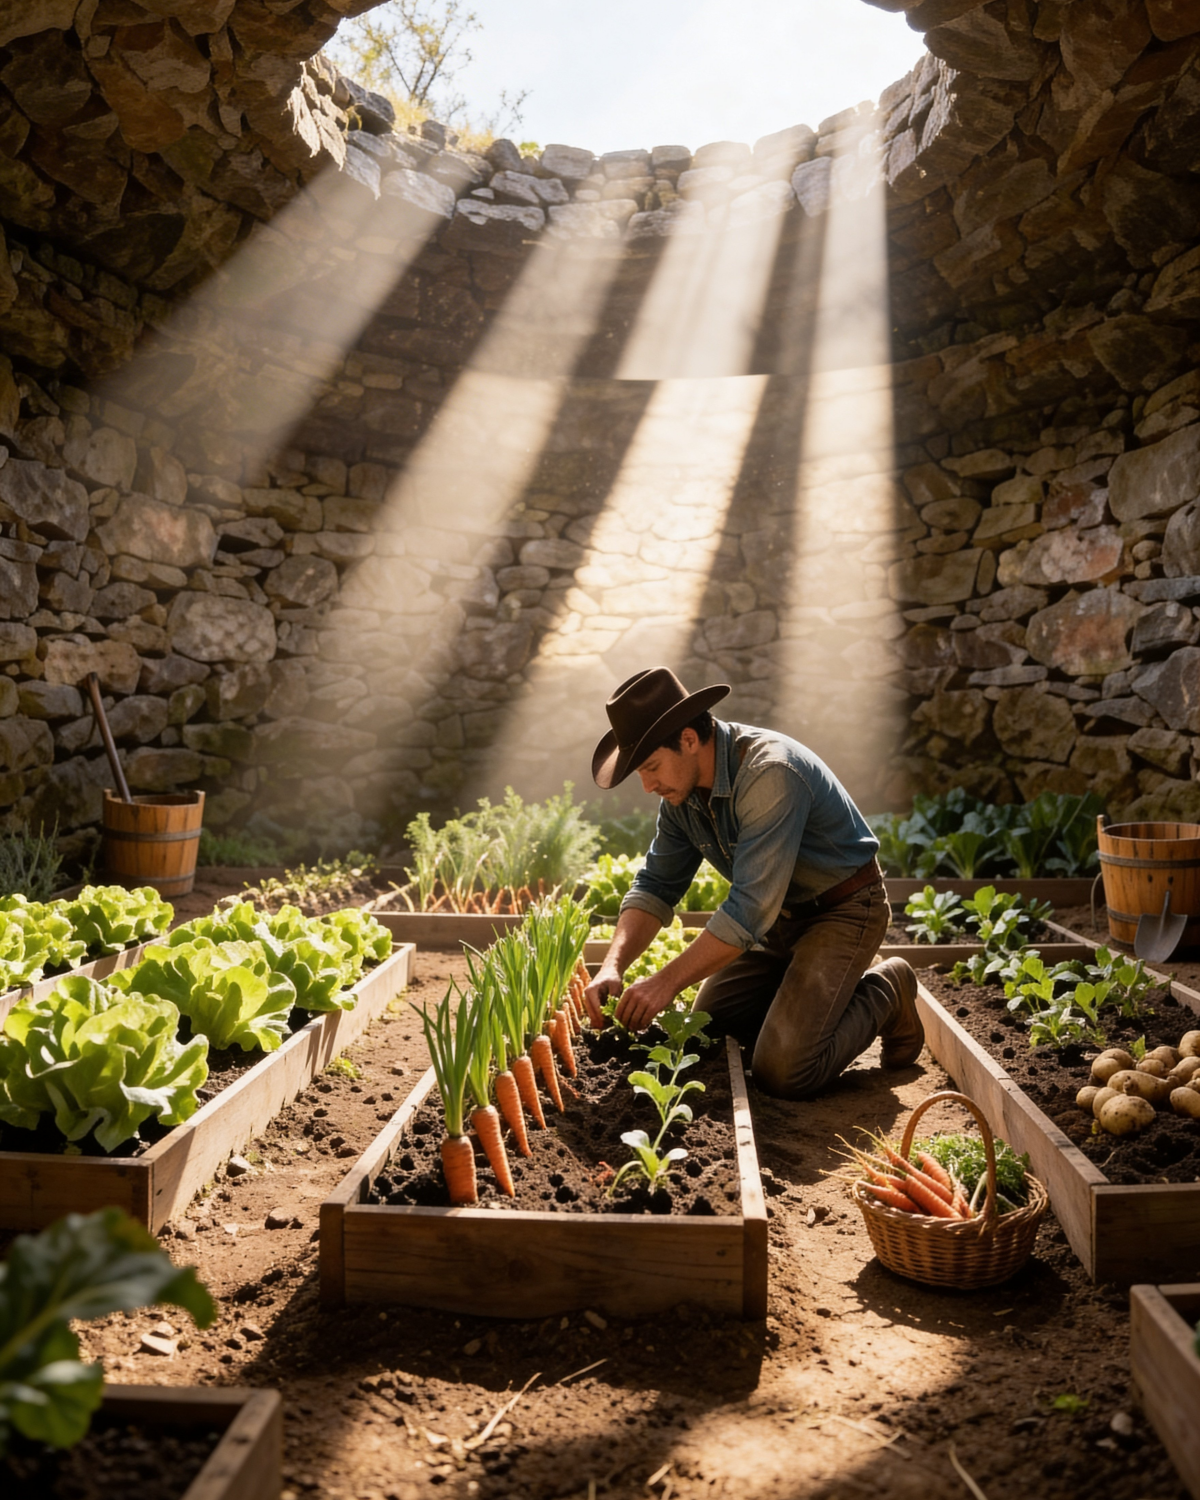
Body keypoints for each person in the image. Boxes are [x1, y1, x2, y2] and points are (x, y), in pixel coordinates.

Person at [583, 666, 922, 1099]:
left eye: (651, 767)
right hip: (779, 919)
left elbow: (748, 910)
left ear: (688, 739)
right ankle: (805, 1004)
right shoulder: (681, 795)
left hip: (843, 911)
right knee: (712, 1027)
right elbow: (655, 885)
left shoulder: (769, 773)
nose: (648, 786)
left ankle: (887, 989)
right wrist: (613, 964)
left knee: (784, 1072)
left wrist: (665, 982)